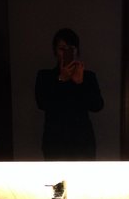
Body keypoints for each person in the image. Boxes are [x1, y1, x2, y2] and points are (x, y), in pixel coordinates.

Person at [35, 28, 104, 160]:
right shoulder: (45, 76)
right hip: (55, 142)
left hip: (83, 142)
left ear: (76, 51)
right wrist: (60, 79)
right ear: (55, 51)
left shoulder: (88, 77)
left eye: (71, 48)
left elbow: (97, 105)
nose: (66, 52)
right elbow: (42, 103)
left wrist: (80, 84)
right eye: (62, 48)